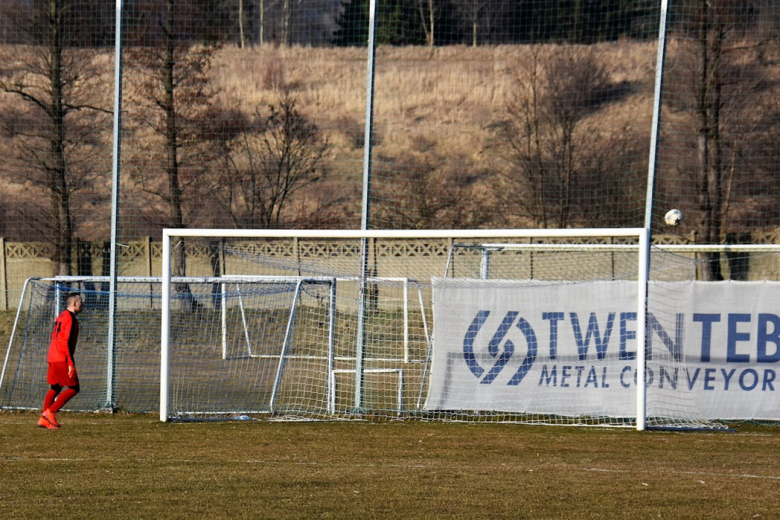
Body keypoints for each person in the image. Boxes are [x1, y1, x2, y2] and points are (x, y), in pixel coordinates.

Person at [38, 292, 84, 429]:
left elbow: (55, 336)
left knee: (55, 387)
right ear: (75, 304)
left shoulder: (61, 316)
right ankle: (50, 412)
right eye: (81, 301)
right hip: (61, 357)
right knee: (74, 388)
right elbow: (65, 341)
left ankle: (43, 418)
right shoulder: (69, 318)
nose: (83, 304)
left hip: (52, 356)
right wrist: (70, 363)